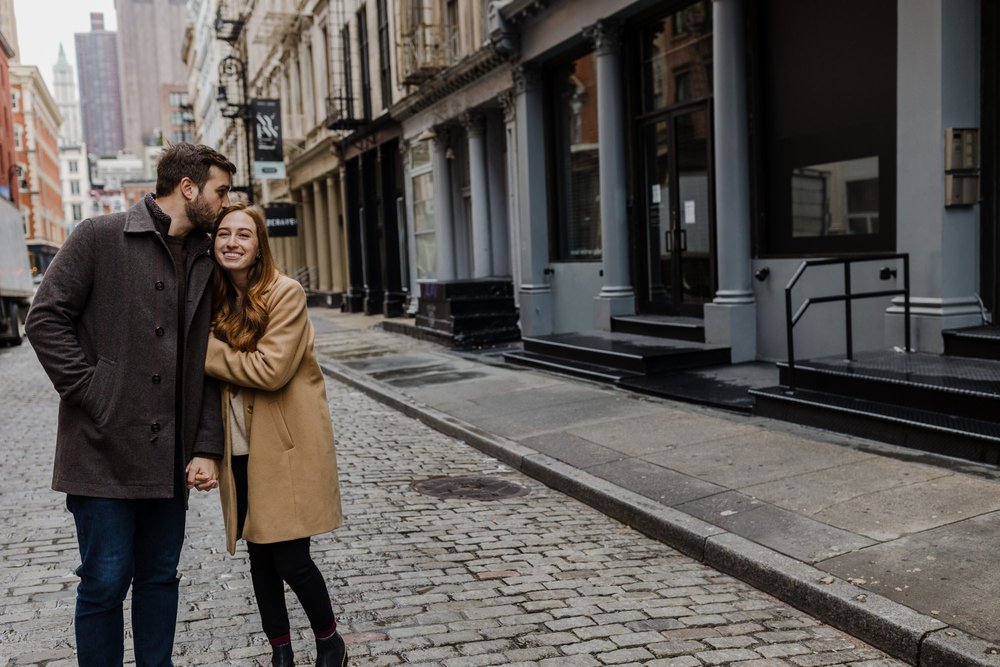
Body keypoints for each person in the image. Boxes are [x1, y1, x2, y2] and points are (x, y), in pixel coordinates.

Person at [24, 143, 236, 665]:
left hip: (169, 457)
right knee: (105, 579)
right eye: (221, 190)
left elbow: (208, 361)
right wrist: (95, 392)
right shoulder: (99, 235)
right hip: (100, 450)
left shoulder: (208, 257)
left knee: (160, 577)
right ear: (188, 188)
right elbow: (44, 319)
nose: (227, 203)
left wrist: (206, 445)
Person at [206, 202, 346, 667]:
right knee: (259, 561)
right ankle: (280, 653)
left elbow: (270, 370)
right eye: (223, 233)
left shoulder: (285, 293)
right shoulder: (213, 299)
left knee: (290, 559)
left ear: (259, 245)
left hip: (284, 449)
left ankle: (330, 642)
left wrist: (205, 351)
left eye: (243, 235)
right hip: (238, 451)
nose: (232, 242)